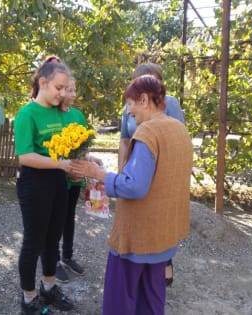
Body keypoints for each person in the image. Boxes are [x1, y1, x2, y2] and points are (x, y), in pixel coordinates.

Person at [71, 75, 193, 315]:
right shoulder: (179, 129)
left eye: (130, 104)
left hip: (137, 236)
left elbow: (135, 187)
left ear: (144, 99)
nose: (128, 112)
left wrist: (100, 174)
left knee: (121, 300)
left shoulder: (148, 132)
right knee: (152, 298)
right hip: (163, 234)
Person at [14, 59, 75, 315]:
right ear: (43, 83)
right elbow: (25, 156)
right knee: (34, 241)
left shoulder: (59, 112)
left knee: (53, 239)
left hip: (58, 181)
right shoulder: (26, 114)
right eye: (58, 88)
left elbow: (67, 146)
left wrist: (82, 159)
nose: (62, 93)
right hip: (34, 183)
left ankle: (49, 288)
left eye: (65, 89)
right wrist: (61, 163)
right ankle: (29, 300)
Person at [118, 62, 185, 286]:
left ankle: (163, 262)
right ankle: (143, 264)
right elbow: (124, 140)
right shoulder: (128, 108)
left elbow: (178, 137)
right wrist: (120, 173)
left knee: (160, 214)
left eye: (153, 79)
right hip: (136, 164)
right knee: (139, 214)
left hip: (160, 169)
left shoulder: (171, 104)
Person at [55, 76, 87, 283]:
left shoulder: (78, 116)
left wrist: (83, 164)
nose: (74, 95)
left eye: (75, 90)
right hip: (57, 177)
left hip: (75, 177)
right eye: (69, 90)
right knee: (55, 220)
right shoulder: (51, 116)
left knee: (69, 217)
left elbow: (84, 146)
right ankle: (53, 260)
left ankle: (67, 256)